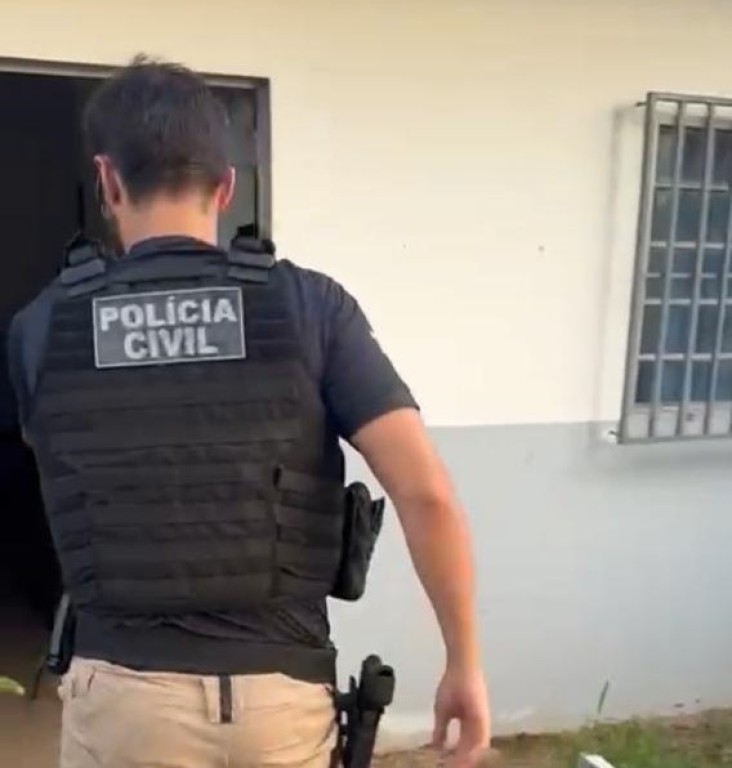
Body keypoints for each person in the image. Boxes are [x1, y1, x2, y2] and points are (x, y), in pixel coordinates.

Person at [6, 56, 491, 768]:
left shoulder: (42, 327)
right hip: (281, 703)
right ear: (226, 185)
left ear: (106, 181)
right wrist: (463, 662)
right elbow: (427, 495)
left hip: (125, 704)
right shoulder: (312, 308)